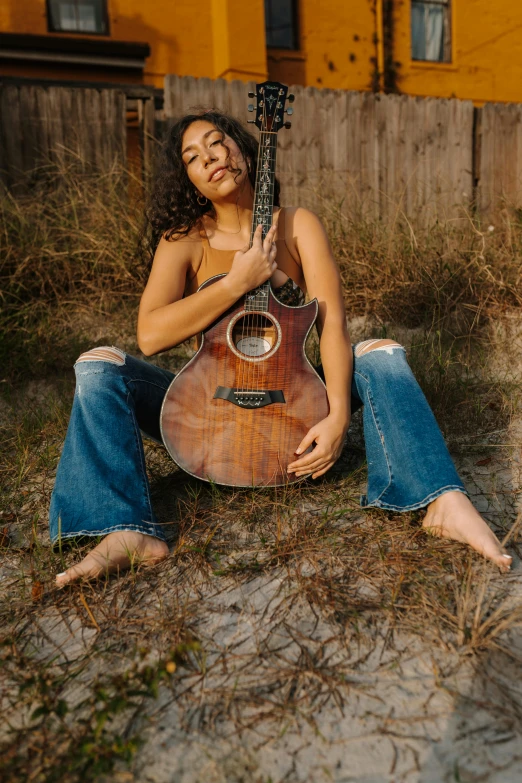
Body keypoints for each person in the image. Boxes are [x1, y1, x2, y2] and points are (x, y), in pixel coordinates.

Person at [51, 110, 512, 586]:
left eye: (218, 143)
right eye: (194, 157)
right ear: (188, 180)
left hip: (295, 408)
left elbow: (332, 327)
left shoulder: (297, 225)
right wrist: (236, 282)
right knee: (98, 365)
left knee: (381, 352)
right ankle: (127, 530)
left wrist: (335, 420)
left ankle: (440, 499)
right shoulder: (184, 239)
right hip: (206, 414)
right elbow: (150, 335)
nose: (211, 158)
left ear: (243, 151)